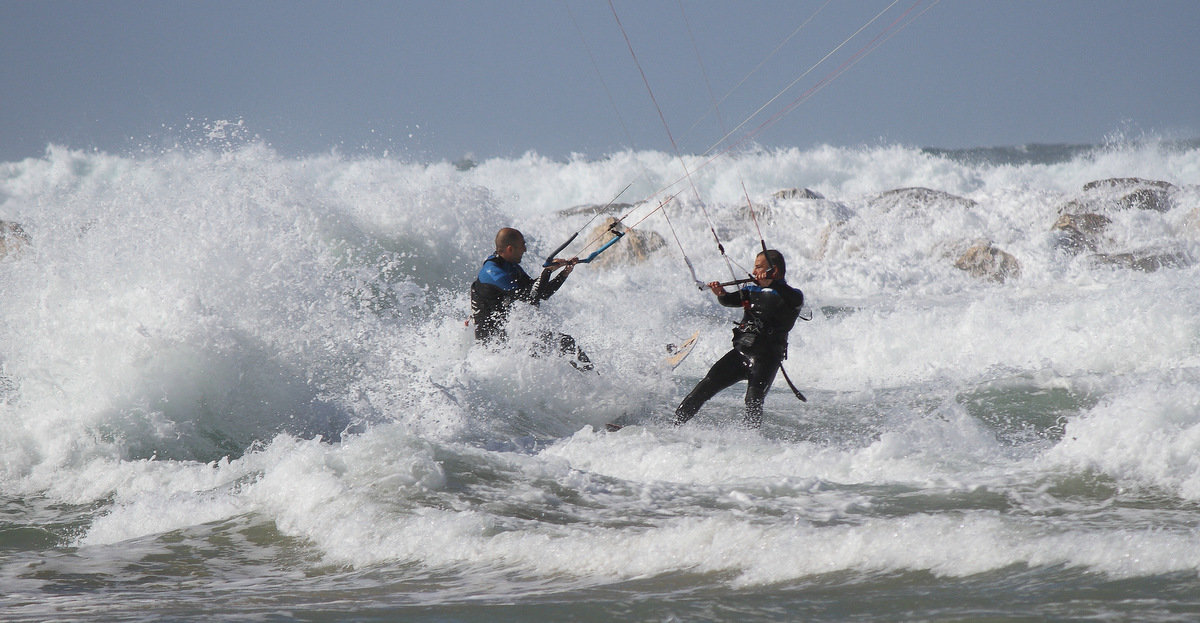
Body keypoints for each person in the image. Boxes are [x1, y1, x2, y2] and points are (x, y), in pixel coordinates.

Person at [673, 249, 803, 428]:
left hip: (766, 359)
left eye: (759, 267)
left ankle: (751, 440)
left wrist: (772, 283)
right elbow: (728, 301)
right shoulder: (750, 290)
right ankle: (674, 426)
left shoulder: (792, 296)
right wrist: (722, 294)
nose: (754, 271)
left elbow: (791, 297)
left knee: (753, 401)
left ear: (775, 271)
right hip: (741, 353)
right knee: (704, 388)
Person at [470, 227, 593, 370]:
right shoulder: (494, 272)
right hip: (495, 350)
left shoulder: (510, 266)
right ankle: (593, 382)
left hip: (509, 337)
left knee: (566, 342)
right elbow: (529, 297)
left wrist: (564, 273)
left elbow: (541, 294)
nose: (525, 250)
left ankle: (593, 381)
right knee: (562, 345)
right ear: (510, 249)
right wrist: (547, 272)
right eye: (522, 245)